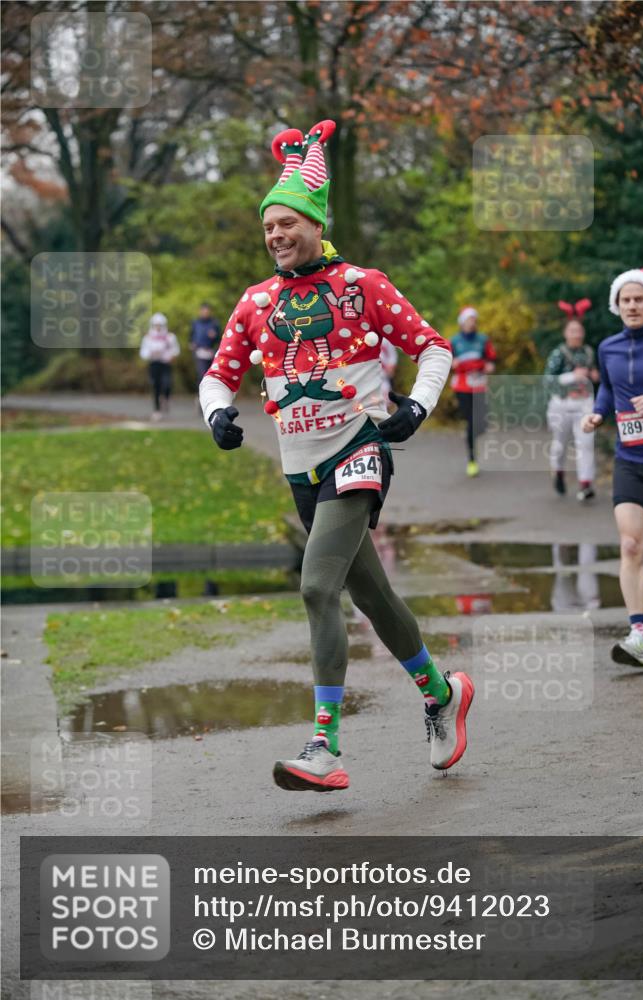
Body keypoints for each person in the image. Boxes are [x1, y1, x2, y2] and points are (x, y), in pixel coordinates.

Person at [199, 119, 474, 791]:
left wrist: (416, 406)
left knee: (317, 586)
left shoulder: (361, 284)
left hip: (358, 448)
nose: (275, 236)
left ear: (316, 224)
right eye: (268, 227)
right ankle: (441, 694)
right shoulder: (255, 301)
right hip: (301, 469)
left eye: (287, 223)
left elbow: (434, 346)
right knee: (373, 598)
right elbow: (217, 373)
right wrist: (217, 413)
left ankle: (324, 746)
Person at [581, 268, 643, 668]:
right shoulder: (608, 347)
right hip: (631, 458)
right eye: (625, 300)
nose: (632, 305)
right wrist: (598, 414)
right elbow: (609, 389)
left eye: (639, 298)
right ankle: (640, 637)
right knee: (630, 545)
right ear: (617, 306)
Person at [543, 299, 599, 500]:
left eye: (579, 331)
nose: (576, 334)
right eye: (572, 331)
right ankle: (558, 471)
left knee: (586, 443)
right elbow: (547, 380)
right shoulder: (558, 353)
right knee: (560, 444)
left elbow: (596, 376)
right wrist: (571, 377)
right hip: (562, 405)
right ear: (566, 333)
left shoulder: (589, 352)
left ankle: (586, 484)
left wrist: (594, 376)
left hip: (584, 403)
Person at [450, 307, 497, 477]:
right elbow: (446, 361)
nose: (472, 323)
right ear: (462, 322)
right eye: (469, 320)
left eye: (474, 320)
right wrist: (452, 363)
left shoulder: (483, 340)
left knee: (482, 423)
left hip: (479, 385)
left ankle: (471, 433)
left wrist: (490, 365)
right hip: (462, 386)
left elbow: (491, 358)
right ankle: (472, 460)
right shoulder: (454, 341)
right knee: (471, 421)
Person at [139, 313, 180, 420]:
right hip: (154, 364)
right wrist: (151, 354)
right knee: (156, 386)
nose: (158, 327)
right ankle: (157, 410)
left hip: (165, 364)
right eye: (156, 325)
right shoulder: (148, 338)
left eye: (160, 325)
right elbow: (143, 353)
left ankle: (166, 398)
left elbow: (175, 350)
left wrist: (170, 356)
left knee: (167, 384)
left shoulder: (170, 337)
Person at [189, 303, 221, 384]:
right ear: (200, 311)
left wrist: (215, 336)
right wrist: (192, 343)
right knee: (201, 374)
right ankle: (200, 394)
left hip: (211, 351)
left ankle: (210, 394)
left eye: (207, 311)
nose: (205, 313)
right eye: (204, 311)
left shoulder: (214, 323)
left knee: (211, 375)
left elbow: (220, 338)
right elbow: (191, 335)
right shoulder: (195, 323)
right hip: (199, 351)